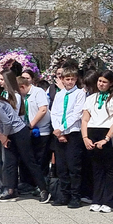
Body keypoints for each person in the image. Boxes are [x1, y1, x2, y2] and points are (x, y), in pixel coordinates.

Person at [0, 82, 50, 202]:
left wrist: (4, 136)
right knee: (9, 163)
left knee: (29, 161)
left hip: (19, 132)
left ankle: (44, 189)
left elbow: (7, 122)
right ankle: (10, 190)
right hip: (9, 133)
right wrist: (5, 135)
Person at [80, 70, 113, 213]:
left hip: (108, 134)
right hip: (92, 132)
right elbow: (85, 119)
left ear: (111, 83)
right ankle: (97, 199)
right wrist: (85, 137)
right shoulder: (91, 98)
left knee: (110, 169)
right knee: (96, 169)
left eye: (104, 82)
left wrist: (106, 138)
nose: (101, 84)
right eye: (99, 81)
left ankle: (109, 201)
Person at [50, 67, 86, 208]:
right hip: (59, 133)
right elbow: (54, 113)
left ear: (76, 79)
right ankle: (63, 195)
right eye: (67, 79)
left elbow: (76, 113)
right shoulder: (60, 94)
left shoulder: (79, 93)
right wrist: (57, 130)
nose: (70, 82)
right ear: (62, 80)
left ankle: (75, 196)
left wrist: (63, 129)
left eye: (72, 79)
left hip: (72, 132)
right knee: (61, 167)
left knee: (73, 166)